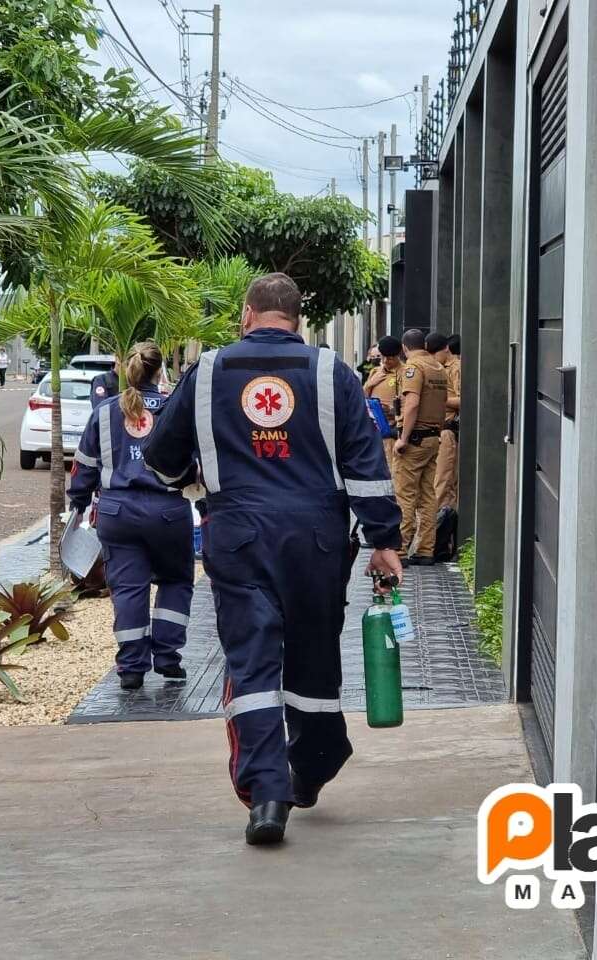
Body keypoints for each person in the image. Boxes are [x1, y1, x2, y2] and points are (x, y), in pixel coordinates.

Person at [142, 272, 403, 847]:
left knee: (252, 662)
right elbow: (366, 465)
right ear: (298, 318)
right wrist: (385, 540)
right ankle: (314, 761)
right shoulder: (330, 372)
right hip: (317, 538)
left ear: (246, 314)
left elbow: (159, 458)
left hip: (237, 535)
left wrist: (192, 481)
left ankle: (266, 795)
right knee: (313, 654)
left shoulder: (208, 371)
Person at [69, 342, 195, 692]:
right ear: (160, 372)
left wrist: (78, 502)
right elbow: (192, 463)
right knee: (175, 580)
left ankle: (131, 668)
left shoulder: (106, 411)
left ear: (127, 369)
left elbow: (85, 466)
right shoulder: (173, 409)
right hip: (168, 512)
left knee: (127, 589)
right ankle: (167, 657)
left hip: (117, 512)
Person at [392, 328, 449, 565]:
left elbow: (413, 403)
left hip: (414, 439)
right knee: (428, 496)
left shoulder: (413, 367)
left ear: (404, 348)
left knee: (405, 495)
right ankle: (426, 549)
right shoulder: (438, 368)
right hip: (433, 438)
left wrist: (403, 438)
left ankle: (400, 550)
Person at [430, 333, 462, 511]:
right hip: (437, 430)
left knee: (442, 484)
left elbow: (464, 400)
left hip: (449, 430)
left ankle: (439, 525)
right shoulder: (439, 368)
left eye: (434, 354)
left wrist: (440, 400)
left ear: (445, 350)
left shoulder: (456, 367)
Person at [363, 335, 403, 469]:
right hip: (374, 431)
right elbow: (362, 398)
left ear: (398, 355)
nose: (385, 361)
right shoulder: (375, 372)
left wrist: (391, 410)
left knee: (391, 471)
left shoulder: (404, 372)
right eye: (382, 357)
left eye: (389, 358)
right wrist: (370, 384)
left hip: (391, 431)